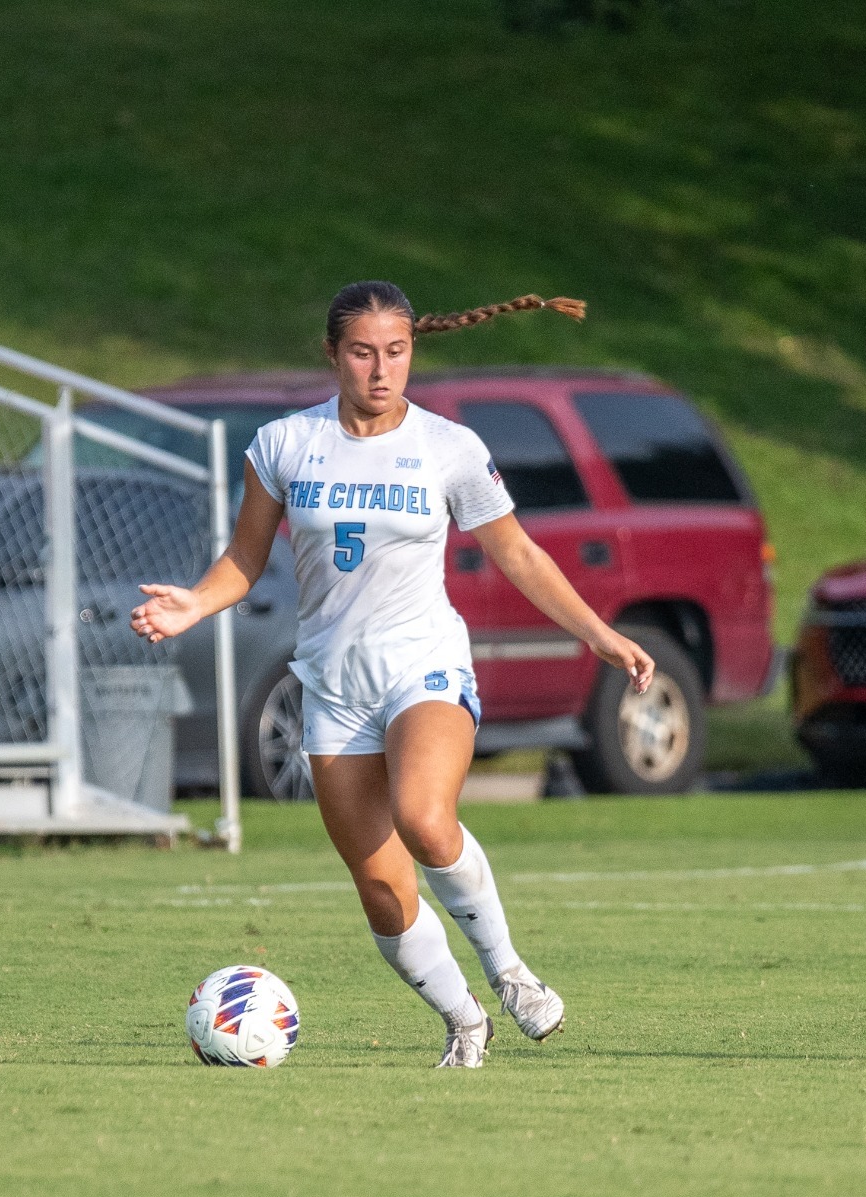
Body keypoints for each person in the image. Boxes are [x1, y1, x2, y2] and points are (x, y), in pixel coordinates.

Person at [130, 282, 654, 1068]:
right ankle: (462, 1019)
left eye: (397, 351)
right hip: (333, 688)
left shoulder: (449, 447)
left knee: (423, 815)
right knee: (381, 888)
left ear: (414, 351)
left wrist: (601, 634)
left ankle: (508, 970)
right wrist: (192, 605)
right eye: (364, 352)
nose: (382, 369)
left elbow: (518, 553)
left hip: (425, 666)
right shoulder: (282, 444)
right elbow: (245, 559)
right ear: (333, 354)